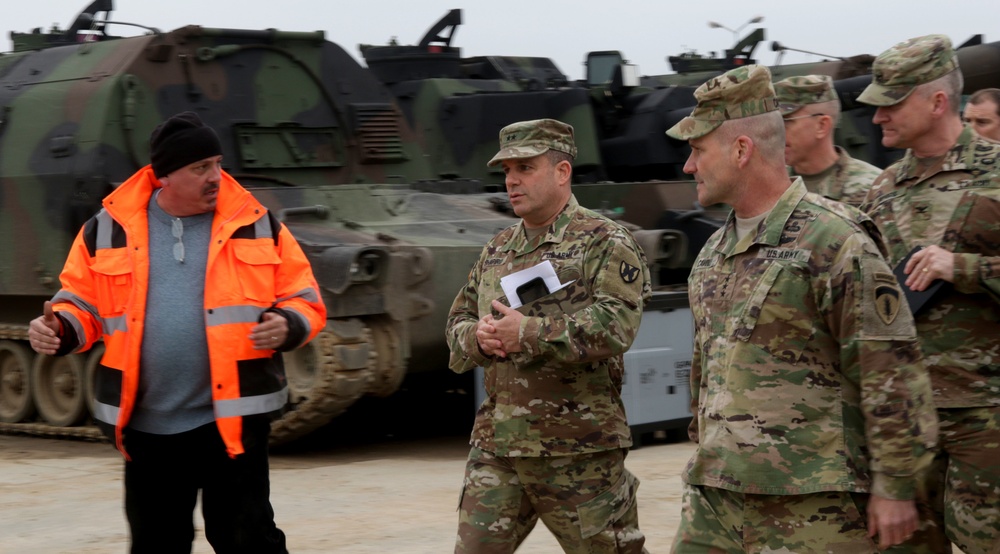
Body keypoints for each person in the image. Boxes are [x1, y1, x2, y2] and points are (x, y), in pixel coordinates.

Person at [666, 64, 939, 553]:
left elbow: (891, 371)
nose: (689, 166)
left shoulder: (834, 239)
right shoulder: (712, 251)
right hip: (719, 495)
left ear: (742, 150)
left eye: (698, 150)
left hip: (814, 500)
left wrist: (896, 487)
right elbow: (707, 369)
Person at [27, 111, 327, 554]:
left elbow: (305, 295)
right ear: (164, 176)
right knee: (157, 544)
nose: (216, 177)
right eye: (200, 168)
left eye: (218, 164)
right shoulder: (106, 230)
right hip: (149, 430)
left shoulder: (257, 224)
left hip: (233, 422)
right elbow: (82, 302)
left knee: (250, 541)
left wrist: (288, 322)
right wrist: (61, 329)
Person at [445, 118, 652, 553]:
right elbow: (458, 320)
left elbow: (617, 325)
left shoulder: (604, 241)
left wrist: (531, 333)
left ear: (562, 172)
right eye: (506, 171)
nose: (512, 181)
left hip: (579, 451)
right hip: (498, 448)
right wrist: (478, 338)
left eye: (525, 167)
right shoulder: (497, 249)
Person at [858, 34, 1000, 554]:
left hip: (986, 417)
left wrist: (962, 267)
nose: (877, 119)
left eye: (890, 104)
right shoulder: (880, 191)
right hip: (906, 424)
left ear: (937, 101)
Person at [773, 74, 883, 207]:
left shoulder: (873, 190)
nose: (775, 132)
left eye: (786, 122)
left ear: (821, 126)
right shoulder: (767, 186)